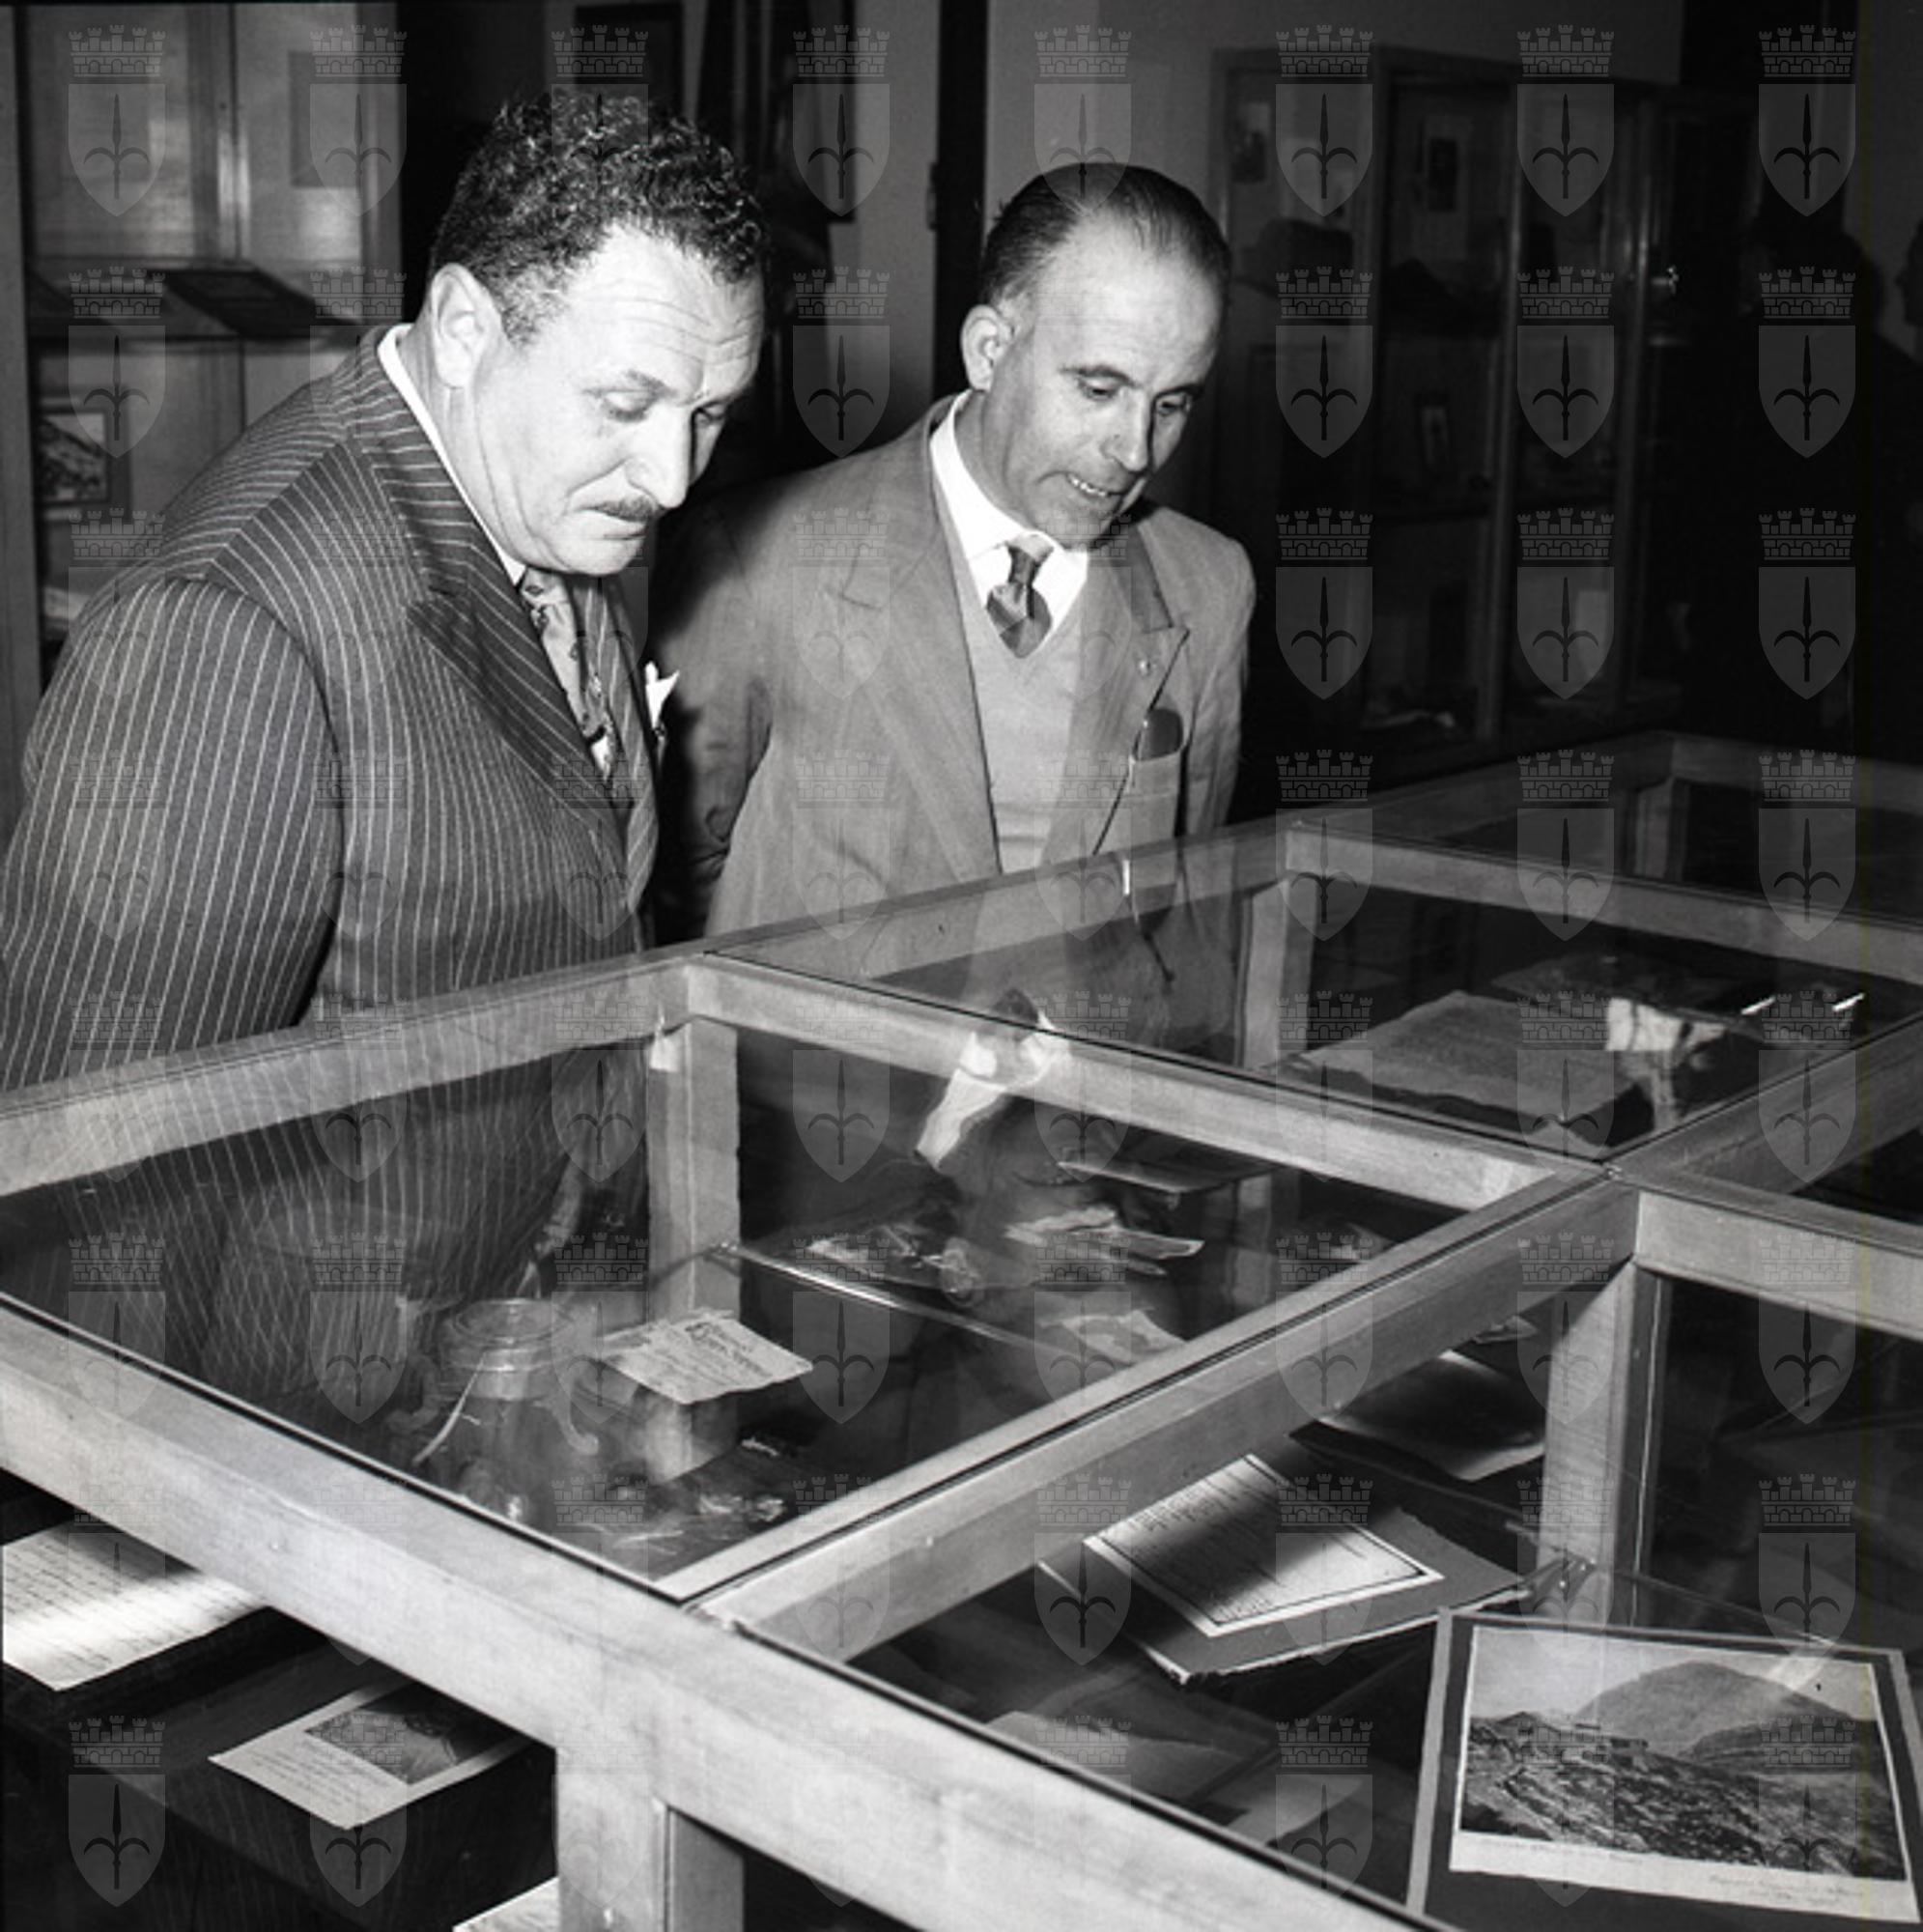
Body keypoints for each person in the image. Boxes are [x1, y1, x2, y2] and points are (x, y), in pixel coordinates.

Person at [0, 94, 766, 1092]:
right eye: (627, 403)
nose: (671, 480)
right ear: (462, 329)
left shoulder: (545, 498)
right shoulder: (219, 628)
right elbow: (103, 1135)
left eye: (709, 413)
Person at [651, 164, 1253, 940]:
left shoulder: (1209, 586)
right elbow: (680, 880)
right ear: (988, 350)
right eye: (1098, 390)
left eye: (1171, 403)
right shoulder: (757, 557)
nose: (1135, 450)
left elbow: (1190, 899)